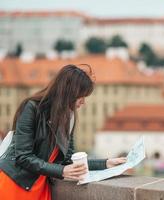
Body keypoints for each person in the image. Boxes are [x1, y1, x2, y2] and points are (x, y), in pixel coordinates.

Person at [0, 64, 126, 199]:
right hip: (15, 185)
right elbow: (23, 156)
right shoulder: (31, 108)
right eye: (81, 96)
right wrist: (62, 171)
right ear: (68, 92)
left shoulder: (69, 117)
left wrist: (106, 163)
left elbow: (68, 162)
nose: (83, 102)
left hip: (40, 188)